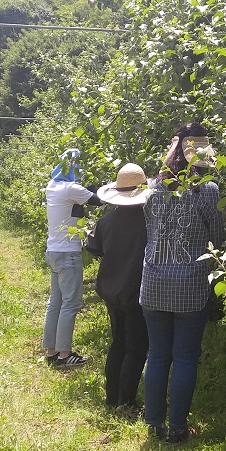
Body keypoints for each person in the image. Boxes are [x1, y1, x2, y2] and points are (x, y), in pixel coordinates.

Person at [140, 124, 223, 444]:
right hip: (190, 285)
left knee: (157, 354)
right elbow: (217, 239)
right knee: (186, 357)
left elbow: (149, 230)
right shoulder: (207, 191)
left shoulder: (151, 188)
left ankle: (154, 423)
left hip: (153, 282)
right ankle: (177, 427)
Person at [85, 161, 151, 412]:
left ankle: (112, 397)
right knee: (136, 347)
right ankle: (126, 401)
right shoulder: (149, 221)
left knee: (118, 343)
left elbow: (94, 248)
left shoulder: (107, 221)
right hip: (136, 289)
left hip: (111, 288)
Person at [43, 149, 101, 369]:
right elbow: (97, 200)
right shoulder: (71, 189)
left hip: (54, 251)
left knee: (55, 303)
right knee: (71, 303)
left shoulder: (53, 186)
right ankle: (64, 355)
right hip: (68, 253)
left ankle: (51, 351)